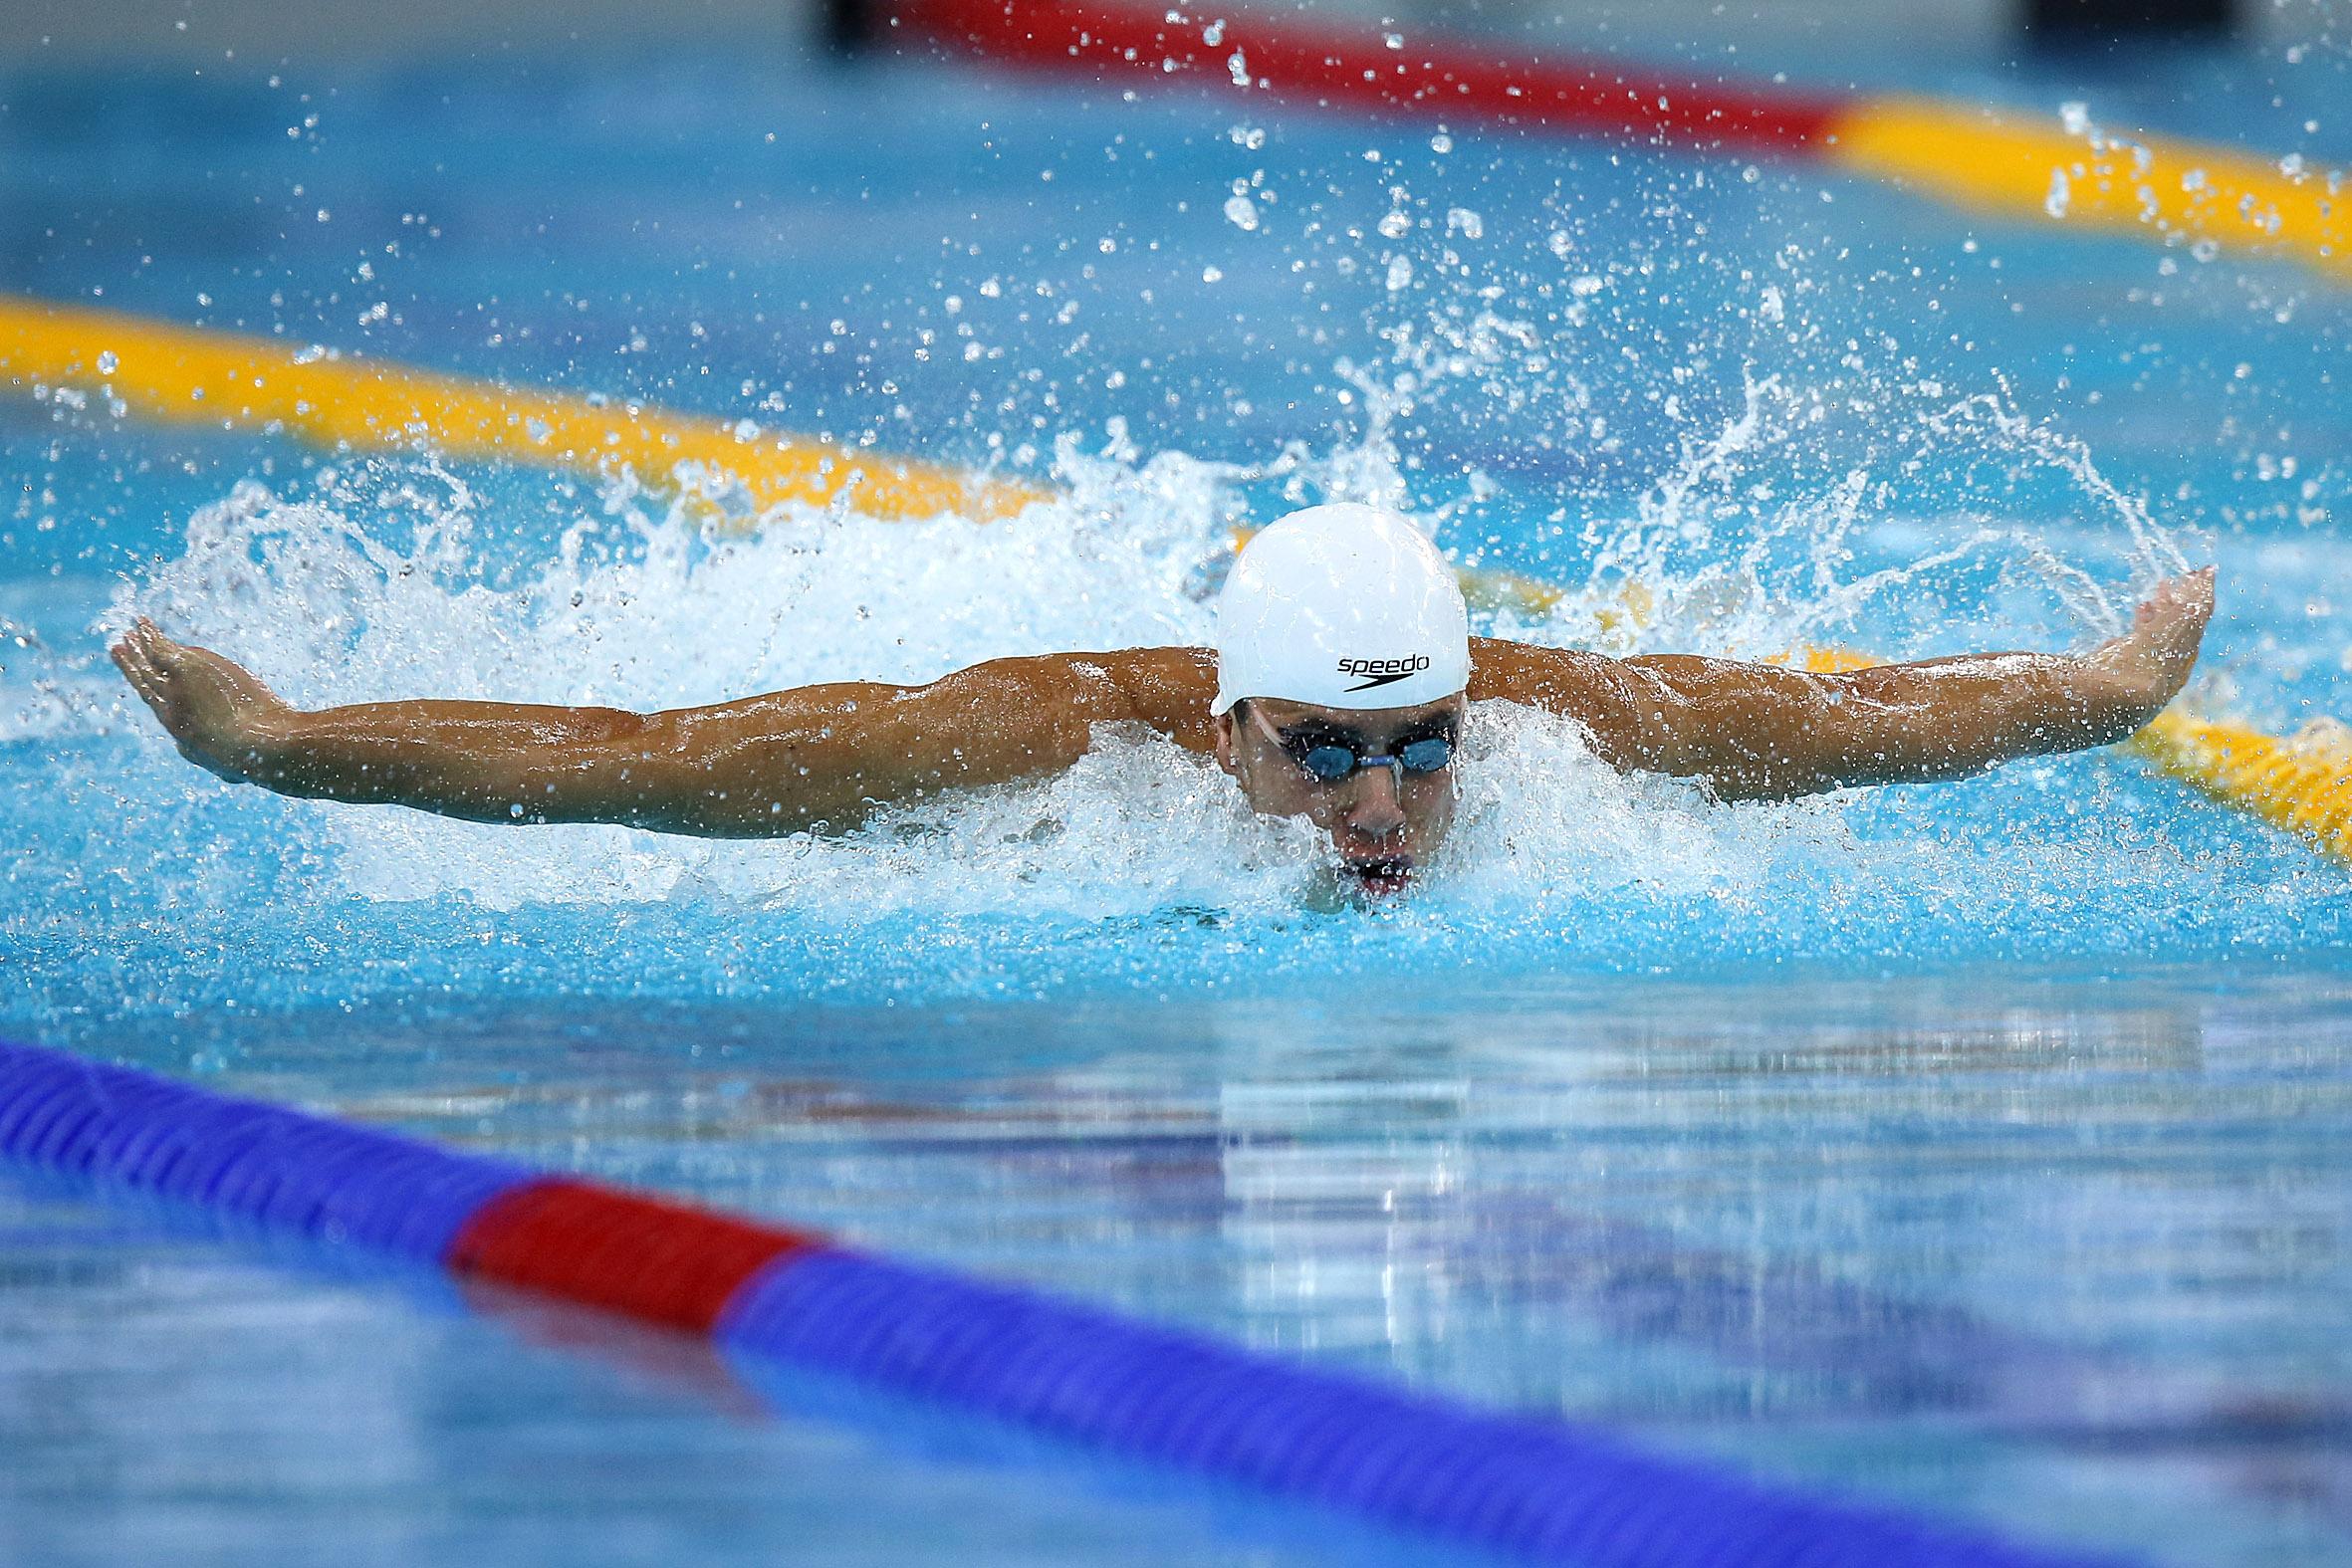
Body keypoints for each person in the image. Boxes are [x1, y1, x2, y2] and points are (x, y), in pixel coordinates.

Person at [112, 503, 2216, 897]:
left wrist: (2099, 693)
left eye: (1418, 743)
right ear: (1228, 731)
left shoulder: (1562, 722)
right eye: (1325, 750)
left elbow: (1848, 715)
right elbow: (642, 768)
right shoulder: (1030, 747)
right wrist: (278, 744)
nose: (1381, 798)